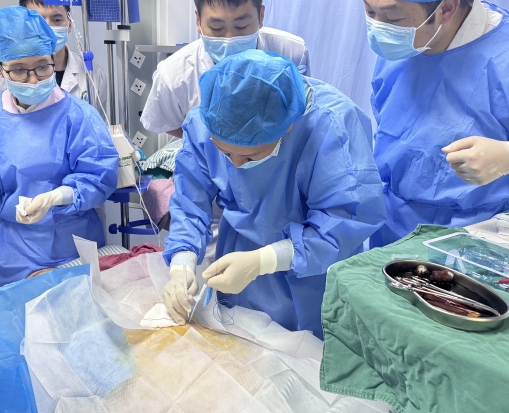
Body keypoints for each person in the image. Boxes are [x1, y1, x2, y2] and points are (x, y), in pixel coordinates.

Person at [160, 50, 387, 339]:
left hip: (317, 276)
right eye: (224, 153)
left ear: (288, 127)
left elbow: (342, 223)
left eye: (250, 156)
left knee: (311, 355)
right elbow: (190, 203)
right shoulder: (209, 119)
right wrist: (181, 265)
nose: (235, 166)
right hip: (242, 265)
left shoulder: (333, 126)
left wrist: (264, 260)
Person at [0, 6, 119, 288]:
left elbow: (99, 179)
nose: (34, 79)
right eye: (19, 70)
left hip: (72, 245)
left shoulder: (78, 115)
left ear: (53, 58)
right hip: (12, 249)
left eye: (42, 66)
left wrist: (56, 197)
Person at [363, 0, 509, 247]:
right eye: (369, 12)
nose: (379, 29)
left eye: (392, 18)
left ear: (447, 9)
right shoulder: (402, 47)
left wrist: (505, 157)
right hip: (391, 229)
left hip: (477, 241)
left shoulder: (502, 58)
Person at [140, 0, 310, 138]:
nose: (229, 39)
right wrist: (205, 143)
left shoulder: (291, 54)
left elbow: (303, 111)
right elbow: (166, 122)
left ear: (260, 16)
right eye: (217, 28)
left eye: (241, 26)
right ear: (198, 20)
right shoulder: (174, 75)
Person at [0, 0, 108, 116]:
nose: (47, 29)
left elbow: (99, 122)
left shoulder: (93, 74)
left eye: (57, 20)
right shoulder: (5, 72)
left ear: (69, 24)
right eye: (38, 22)